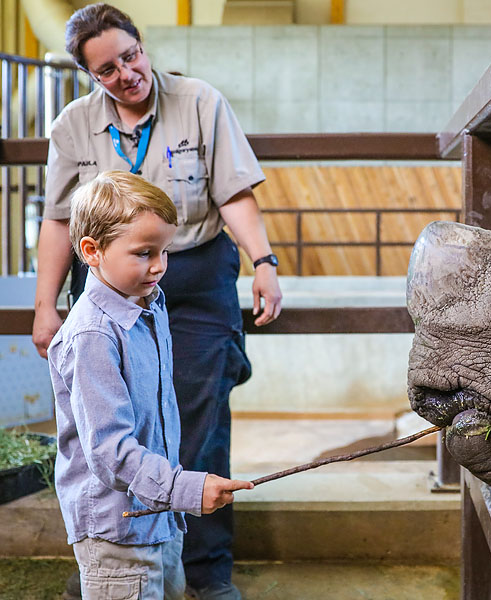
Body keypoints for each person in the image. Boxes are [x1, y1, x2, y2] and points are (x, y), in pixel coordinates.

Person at [32, 4, 282, 598]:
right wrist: (46, 305)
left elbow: (234, 192)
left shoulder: (199, 102)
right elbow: (60, 220)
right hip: (107, 278)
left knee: (193, 419)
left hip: (190, 274)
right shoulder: (73, 125)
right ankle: (110, 552)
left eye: (131, 56)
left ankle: (205, 569)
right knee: (116, 420)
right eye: (107, 69)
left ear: (142, 45)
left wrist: (264, 262)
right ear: (89, 75)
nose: (127, 74)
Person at [48, 171, 255, 600]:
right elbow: (109, 451)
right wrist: (185, 488)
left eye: (164, 251)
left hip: (158, 515)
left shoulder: (149, 304)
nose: (159, 266)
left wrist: (174, 494)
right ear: (92, 251)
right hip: (118, 531)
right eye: (144, 253)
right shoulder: (93, 336)